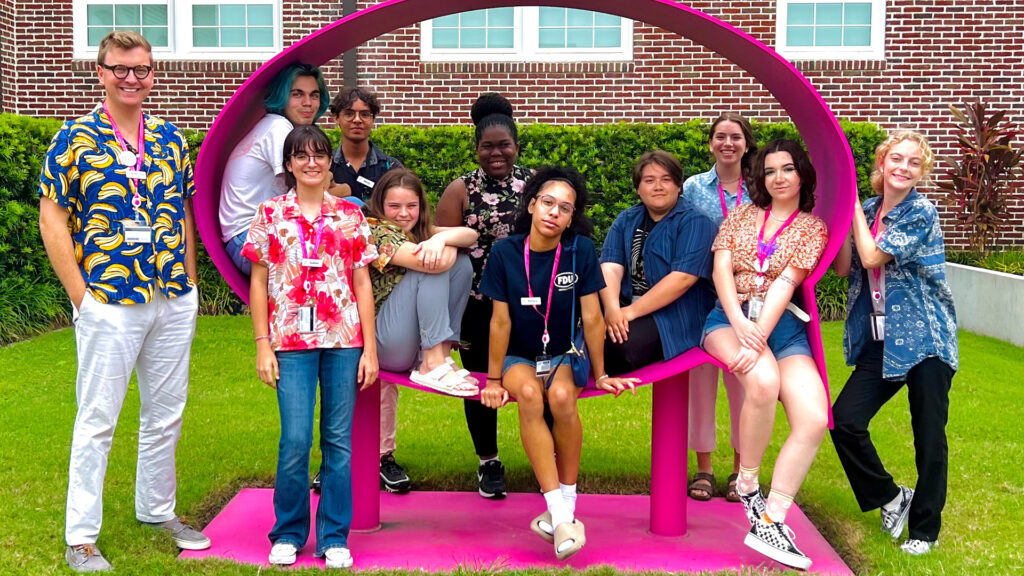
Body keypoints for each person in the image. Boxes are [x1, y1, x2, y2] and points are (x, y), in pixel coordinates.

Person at [37, 30, 210, 573]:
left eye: (141, 69)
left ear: (153, 74)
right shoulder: (75, 138)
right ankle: (81, 537)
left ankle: (157, 509)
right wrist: (80, 297)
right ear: (101, 73)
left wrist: (190, 280)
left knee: (166, 414)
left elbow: (183, 212)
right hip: (109, 299)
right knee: (97, 420)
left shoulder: (170, 138)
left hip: (171, 294)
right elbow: (53, 218)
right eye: (121, 69)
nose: (131, 78)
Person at [478, 167, 640, 561]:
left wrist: (600, 374)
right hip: (519, 355)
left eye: (564, 208)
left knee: (564, 397)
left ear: (571, 218)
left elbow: (594, 317)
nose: (554, 212)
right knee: (531, 397)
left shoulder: (580, 250)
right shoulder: (505, 252)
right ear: (532, 204)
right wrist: (494, 379)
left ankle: (563, 510)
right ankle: (561, 514)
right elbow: (499, 321)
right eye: (547, 202)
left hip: (564, 352)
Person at [242, 125, 378, 569]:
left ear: (328, 162)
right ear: (289, 165)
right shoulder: (270, 213)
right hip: (291, 341)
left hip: (343, 340)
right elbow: (259, 283)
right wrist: (263, 345)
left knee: (338, 442)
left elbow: (362, 283)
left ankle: (334, 536)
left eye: (319, 154)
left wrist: (371, 351)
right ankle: (287, 532)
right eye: (302, 156)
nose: (312, 163)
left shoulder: (350, 215)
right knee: (295, 440)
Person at [701, 139, 829, 570]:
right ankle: (749, 484)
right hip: (728, 318)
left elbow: (785, 283)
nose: (778, 177)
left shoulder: (812, 227)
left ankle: (771, 517)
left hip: (783, 327)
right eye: (770, 170)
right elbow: (721, 269)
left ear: (801, 175)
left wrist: (759, 335)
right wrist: (740, 324)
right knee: (762, 380)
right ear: (761, 176)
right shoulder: (740, 216)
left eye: (787, 169)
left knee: (813, 418)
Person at [830, 131, 958, 556]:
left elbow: (872, 257)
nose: (903, 168)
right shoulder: (867, 209)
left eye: (914, 163)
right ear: (881, 164)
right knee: (844, 420)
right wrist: (841, 215)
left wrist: (849, 210)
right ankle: (891, 497)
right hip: (881, 338)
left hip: (925, 338)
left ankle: (924, 531)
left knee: (928, 436)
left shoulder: (921, 212)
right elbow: (848, 266)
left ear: (921, 173)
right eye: (896, 159)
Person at [436, 92, 532, 499]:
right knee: (479, 385)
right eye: (487, 146)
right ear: (476, 149)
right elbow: (439, 253)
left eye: (504, 145)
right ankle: (488, 461)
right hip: (475, 306)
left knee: (536, 378)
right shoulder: (460, 190)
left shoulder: (535, 186)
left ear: (516, 146)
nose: (496, 153)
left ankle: (548, 453)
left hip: (527, 303)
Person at [364, 168, 479, 492]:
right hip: (384, 342)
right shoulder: (375, 230)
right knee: (433, 264)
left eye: (411, 206)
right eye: (394, 207)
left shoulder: (422, 230)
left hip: (407, 340)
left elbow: (469, 236)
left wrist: (440, 236)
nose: (403, 214)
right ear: (380, 206)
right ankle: (432, 363)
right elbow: (435, 263)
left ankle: (440, 355)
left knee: (462, 262)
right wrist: (438, 243)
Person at [681, 113, 757, 502]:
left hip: (747, 299)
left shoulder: (760, 187)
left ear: (746, 143)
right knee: (701, 384)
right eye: (721, 137)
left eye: (736, 137)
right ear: (710, 143)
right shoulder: (693, 187)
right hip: (701, 293)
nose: (728, 143)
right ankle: (705, 468)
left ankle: (742, 470)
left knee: (744, 381)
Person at [599, 150, 716, 373]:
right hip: (626, 305)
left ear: (678, 186)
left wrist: (629, 313)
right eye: (649, 180)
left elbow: (682, 279)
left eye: (666, 180)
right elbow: (610, 266)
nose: (658, 186)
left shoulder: (696, 222)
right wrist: (613, 308)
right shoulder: (627, 219)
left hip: (675, 315)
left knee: (616, 348)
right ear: (638, 188)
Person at [219, 62, 330, 274]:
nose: (308, 103)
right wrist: (343, 190)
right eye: (297, 94)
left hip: (253, 233)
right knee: (352, 212)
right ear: (282, 96)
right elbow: (309, 193)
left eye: (314, 95)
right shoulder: (279, 127)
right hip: (249, 237)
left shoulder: (274, 125)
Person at [328, 87, 403, 203]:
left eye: (365, 114)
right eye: (349, 114)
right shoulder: (324, 166)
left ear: (373, 119)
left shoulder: (391, 169)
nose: (357, 120)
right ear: (336, 118)